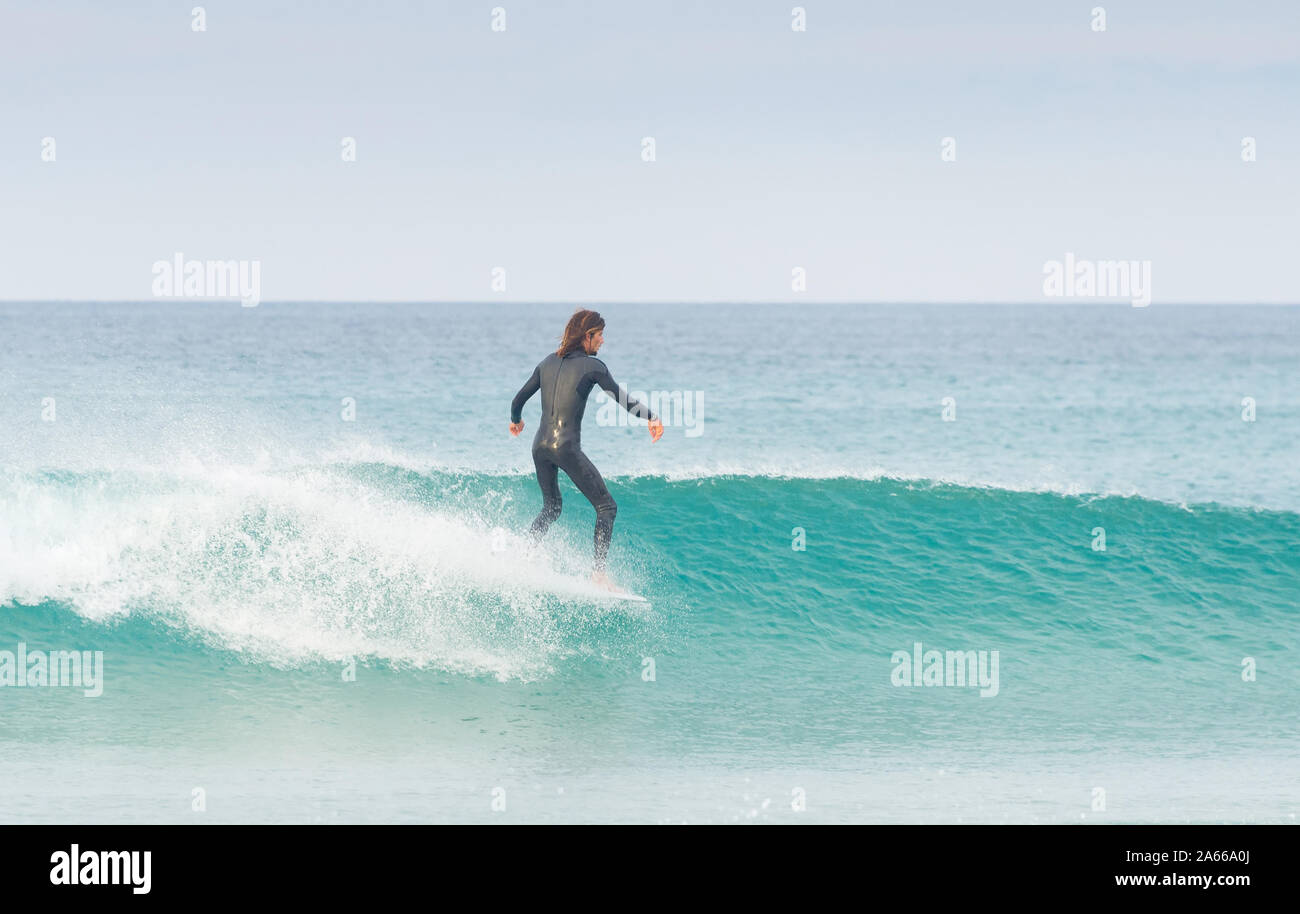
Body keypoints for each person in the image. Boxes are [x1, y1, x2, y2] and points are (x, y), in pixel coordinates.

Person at [510, 309, 664, 588]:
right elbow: (621, 398)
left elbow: (518, 399)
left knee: (551, 508)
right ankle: (598, 575)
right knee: (606, 507)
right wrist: (651, 417)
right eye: (600, 335)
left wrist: (516, 421)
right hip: (565, 447)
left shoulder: (546, 363)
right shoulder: (594, 367)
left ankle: (524, 556)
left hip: (539, 446)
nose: (602, 342)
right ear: (588, 336)